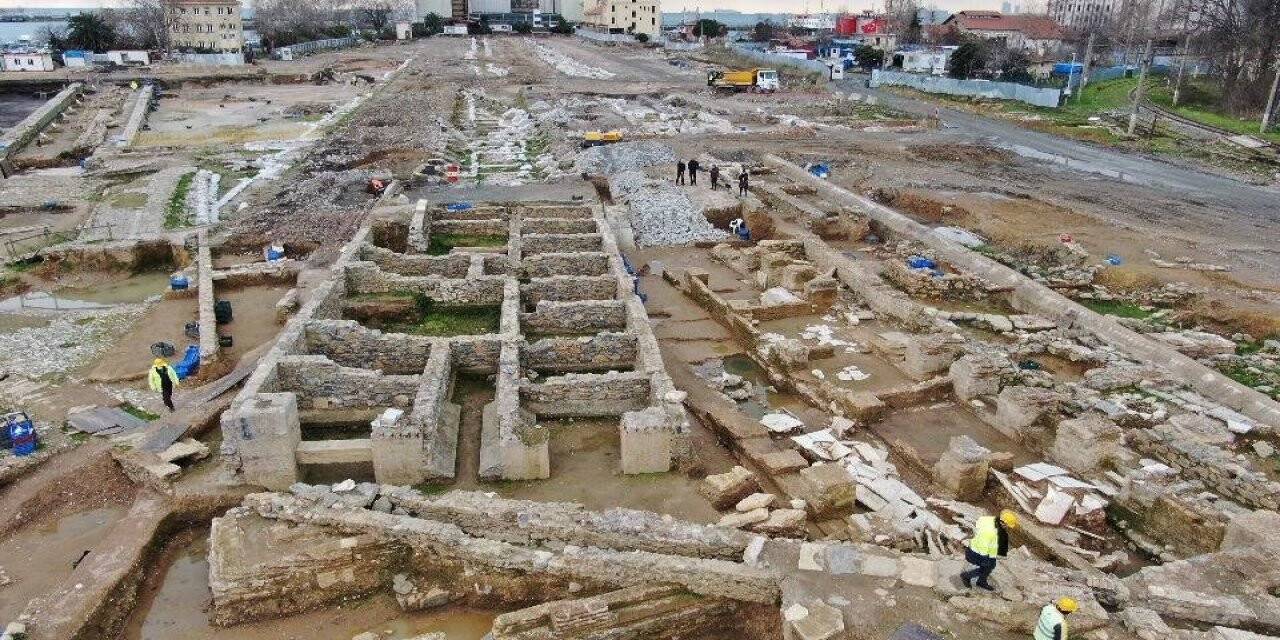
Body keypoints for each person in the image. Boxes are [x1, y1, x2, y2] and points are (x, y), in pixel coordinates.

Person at [960, 509, 1018, 591]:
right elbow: (983, 546)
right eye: (1007, 525)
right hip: (976, 552)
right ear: (1003, 523)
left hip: (984, 551)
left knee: (991, 565)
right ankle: (966, 576)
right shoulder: (991, 532)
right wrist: (985, 559)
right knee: (986, 567)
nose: (1008, 527)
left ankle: (981, 581)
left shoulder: (991, 520)